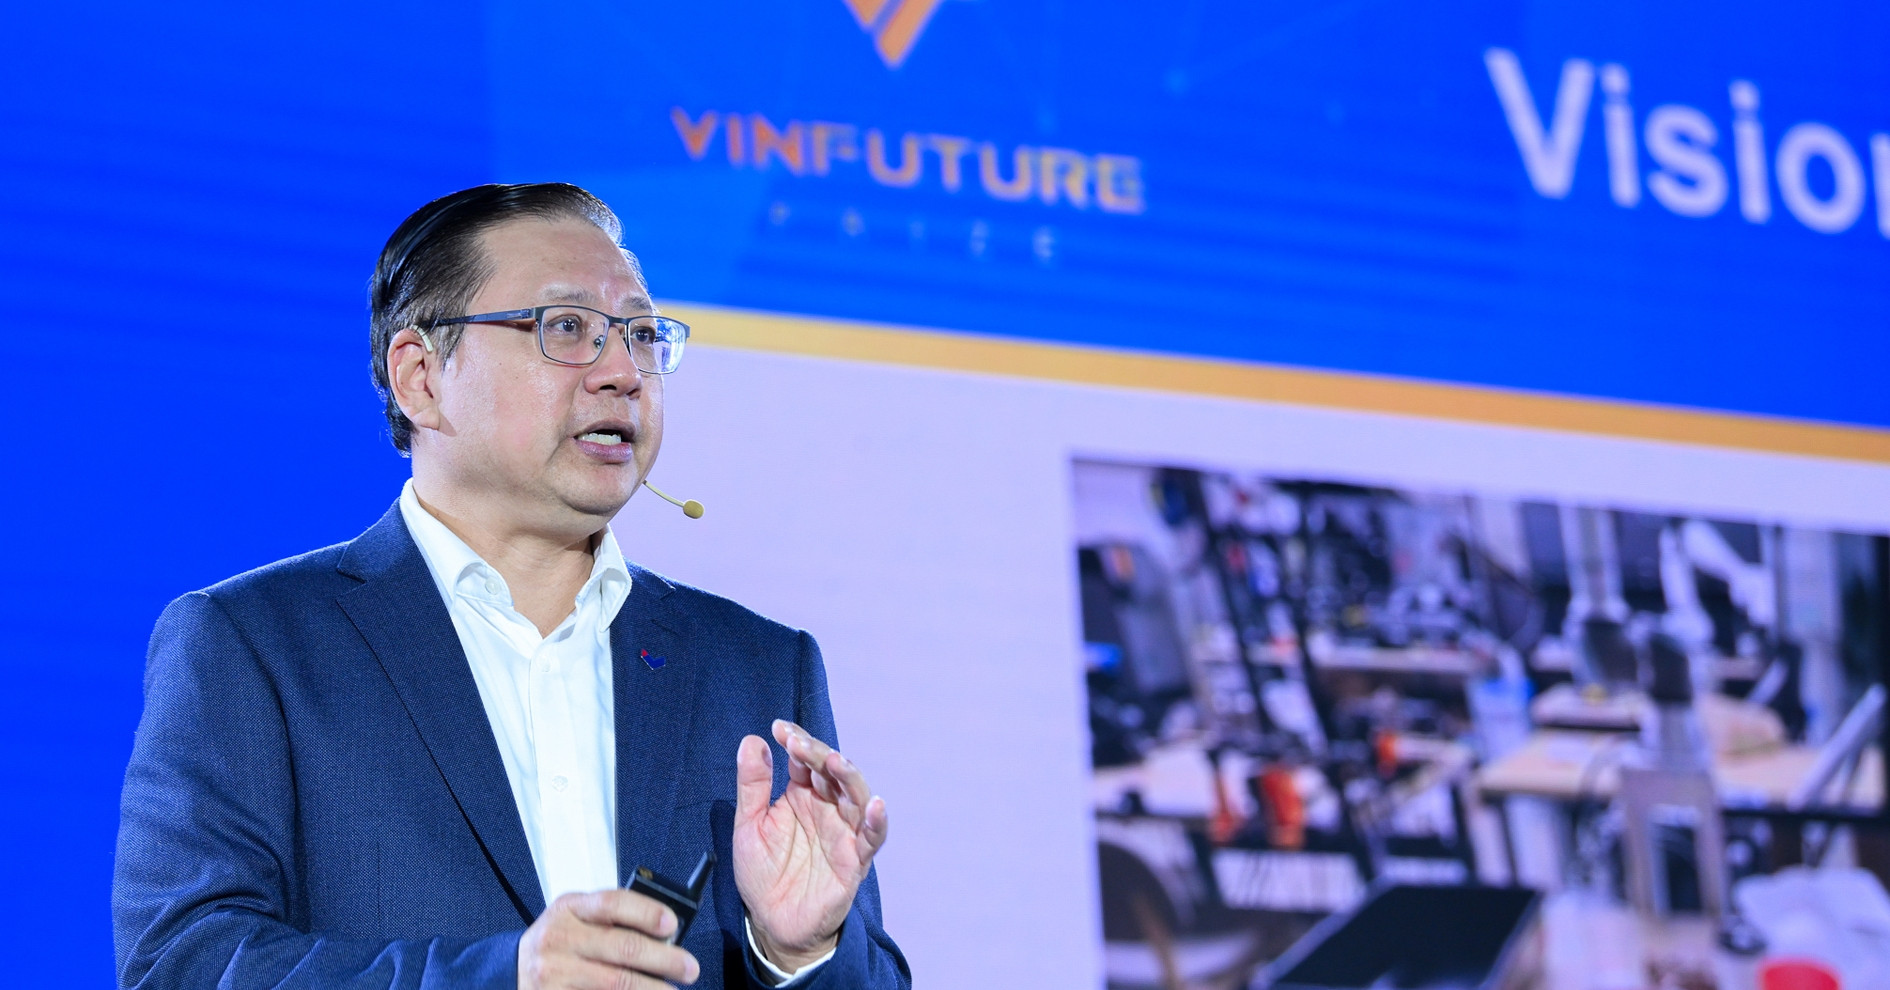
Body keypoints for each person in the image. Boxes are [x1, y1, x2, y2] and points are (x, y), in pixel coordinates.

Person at [113, 183, 910, 990]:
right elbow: (182, 967)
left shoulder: (758, 667)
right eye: (566, 328)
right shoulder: (255, 645)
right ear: (420, 377)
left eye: (640, 334)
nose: (623, 373)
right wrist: (505, 978)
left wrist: (798, 952)